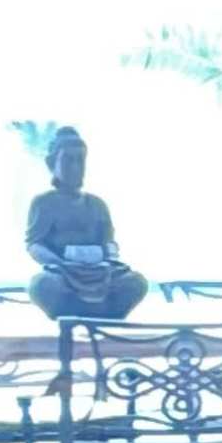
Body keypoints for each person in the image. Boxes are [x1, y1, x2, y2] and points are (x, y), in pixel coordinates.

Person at [23, 126, 147, 324]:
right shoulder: (44, 202)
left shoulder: (97, 204)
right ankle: (72, 315)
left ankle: (107, 317)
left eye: (80, 160)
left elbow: (109, 242)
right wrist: (59, 262)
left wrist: (107, 253)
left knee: (136, 282)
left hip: (101, 271)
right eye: (68, 160)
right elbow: (34, 244)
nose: (75, 167)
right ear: (51, 163)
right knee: (41, 285)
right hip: (64, 273)